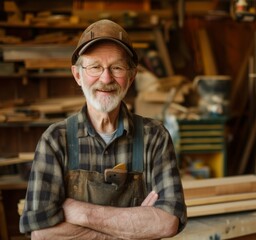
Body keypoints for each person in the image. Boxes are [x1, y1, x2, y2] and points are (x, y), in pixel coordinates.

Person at [19, 19, 187, 239]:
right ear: (78, 75)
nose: (106, 78)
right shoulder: (55, 140)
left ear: (131, 76)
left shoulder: (154, 137)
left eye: (116, 67)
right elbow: (42, 233)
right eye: (95, 67)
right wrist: (133, 228)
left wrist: (81, 213)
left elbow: (167, 222)